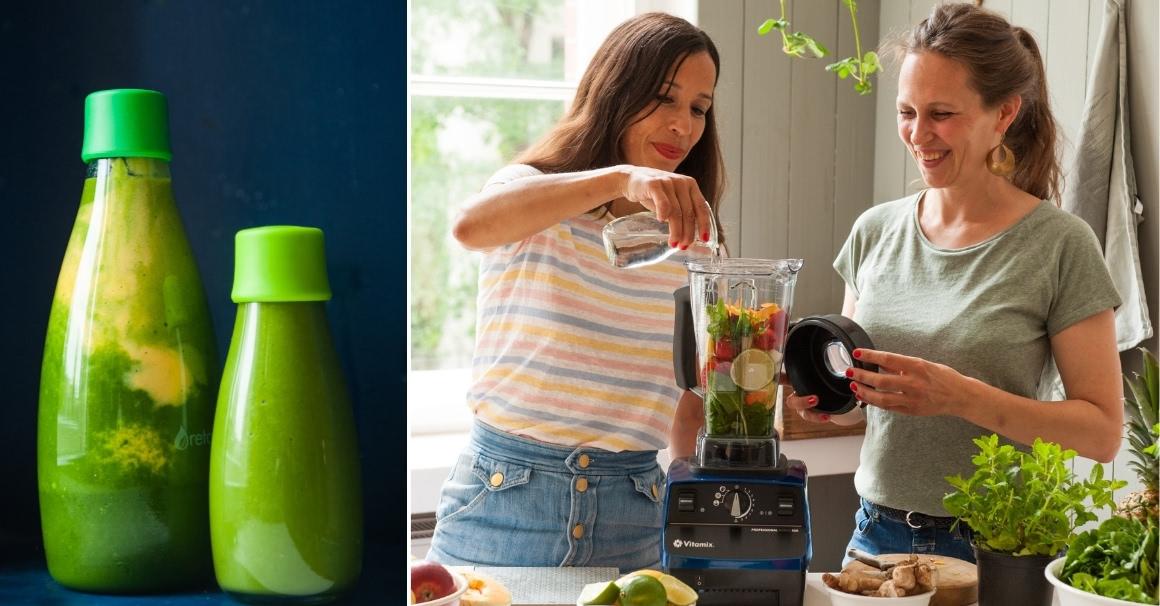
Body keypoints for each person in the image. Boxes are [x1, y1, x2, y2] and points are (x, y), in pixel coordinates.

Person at [786, 3, 1123, 564]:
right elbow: (860, 408)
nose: (919, 135)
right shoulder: (875, 232)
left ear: (1004, 113)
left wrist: (960, 396)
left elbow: (1102, 432)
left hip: (999, 548)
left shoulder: (1061, 244)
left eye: (941, 113)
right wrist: (829, 400)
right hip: (874, 539)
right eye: (906, 111)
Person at [427, 12, 724, 569]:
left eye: (699, 108)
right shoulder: (533, 195)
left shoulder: (696, 240)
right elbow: (469, 226)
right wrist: (618, 177)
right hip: (503, 500)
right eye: (664, 98)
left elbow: (691, 397)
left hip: (635, 512)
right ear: (616, 92)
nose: (683, 125)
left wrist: (692, 514)